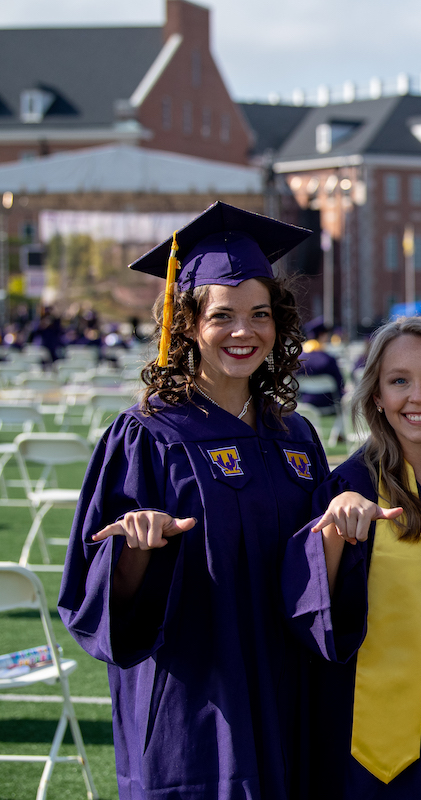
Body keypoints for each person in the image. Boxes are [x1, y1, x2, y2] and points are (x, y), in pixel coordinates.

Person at [57, 202, 329, 800]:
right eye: (222, 316)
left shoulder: (297, 438)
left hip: (286, 690)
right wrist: (136, 548)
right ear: (186, 325)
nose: (244, 332)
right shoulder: (149, 436)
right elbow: (97, 598)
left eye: (260, 314)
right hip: (194, 700)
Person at [284, 316, 421, 799]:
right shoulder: (348, 487)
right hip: (375, 752)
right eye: (399, 381)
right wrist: (335, 530)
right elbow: (309, 616)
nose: (417, 397)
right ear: (377, 395)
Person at [298, 323, 345, 414]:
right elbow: (340, 383)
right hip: (328, 404)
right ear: (322, 336)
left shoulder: (299, 360)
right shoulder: (329, 359)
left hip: (305, 403)